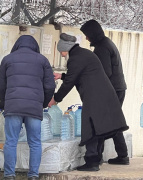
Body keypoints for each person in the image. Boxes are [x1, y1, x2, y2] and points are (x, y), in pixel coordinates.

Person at [48, 33, 129, 171]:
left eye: (60, 49)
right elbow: (79, 74)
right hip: (102, 94)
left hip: (96, 96)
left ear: (65, 48)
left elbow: (70, 82)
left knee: (90, 126)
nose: (60, 53)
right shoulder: (83, 54)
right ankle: (95, 159)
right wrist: (61, 75)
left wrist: (55, 99)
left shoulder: (76, 58)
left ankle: (91, 162)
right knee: (97, 127)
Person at [0, 35, 55, 180]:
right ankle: (33, 175)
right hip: (34, 107)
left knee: (11, 141)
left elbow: (1, 86)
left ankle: (9, 175)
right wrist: (42, 103)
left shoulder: (7, 60)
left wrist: (3, 105)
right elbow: (50, 86)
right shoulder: (42, 60)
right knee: (35, 142)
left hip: (12, 106)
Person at [80, 19, 129, 165]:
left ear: (93, 33)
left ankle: (101, 156)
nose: (87, 38)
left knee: (104, 123)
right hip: (117, 88)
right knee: (112, 122)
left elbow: (104, 72)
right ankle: (121, 155)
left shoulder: (102, 48)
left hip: (112, 89)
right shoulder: (107, 43)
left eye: (87, 35)